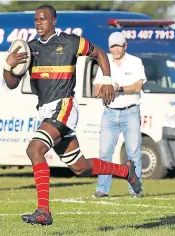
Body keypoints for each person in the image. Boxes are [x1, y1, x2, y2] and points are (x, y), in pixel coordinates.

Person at [2, 5, 141, 226]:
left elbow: (99, 53)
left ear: (54, 20)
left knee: (34, 149)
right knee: (80, 167)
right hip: (45, 111)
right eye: (36, 19)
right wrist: (7, 66)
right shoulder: (28, 49)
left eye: (43, 19)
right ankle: (126, 171)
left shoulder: (70, 41)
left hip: (64, 107)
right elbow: (11, 84)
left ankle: (43, 211)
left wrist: (106, 80)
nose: (38, 23)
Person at [93, 32, 146, 198]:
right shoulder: (104, 61)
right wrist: (106, 89)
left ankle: (135, 190)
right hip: (109, 112)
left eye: (119, 46)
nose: (116, 49)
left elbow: (137, 86)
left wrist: (119, 88)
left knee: (134, 154)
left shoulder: (135, 62)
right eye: (113, 46)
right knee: (104, 153)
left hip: (130, 111)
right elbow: (96, 90)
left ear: (125, 46)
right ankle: (102, 188)